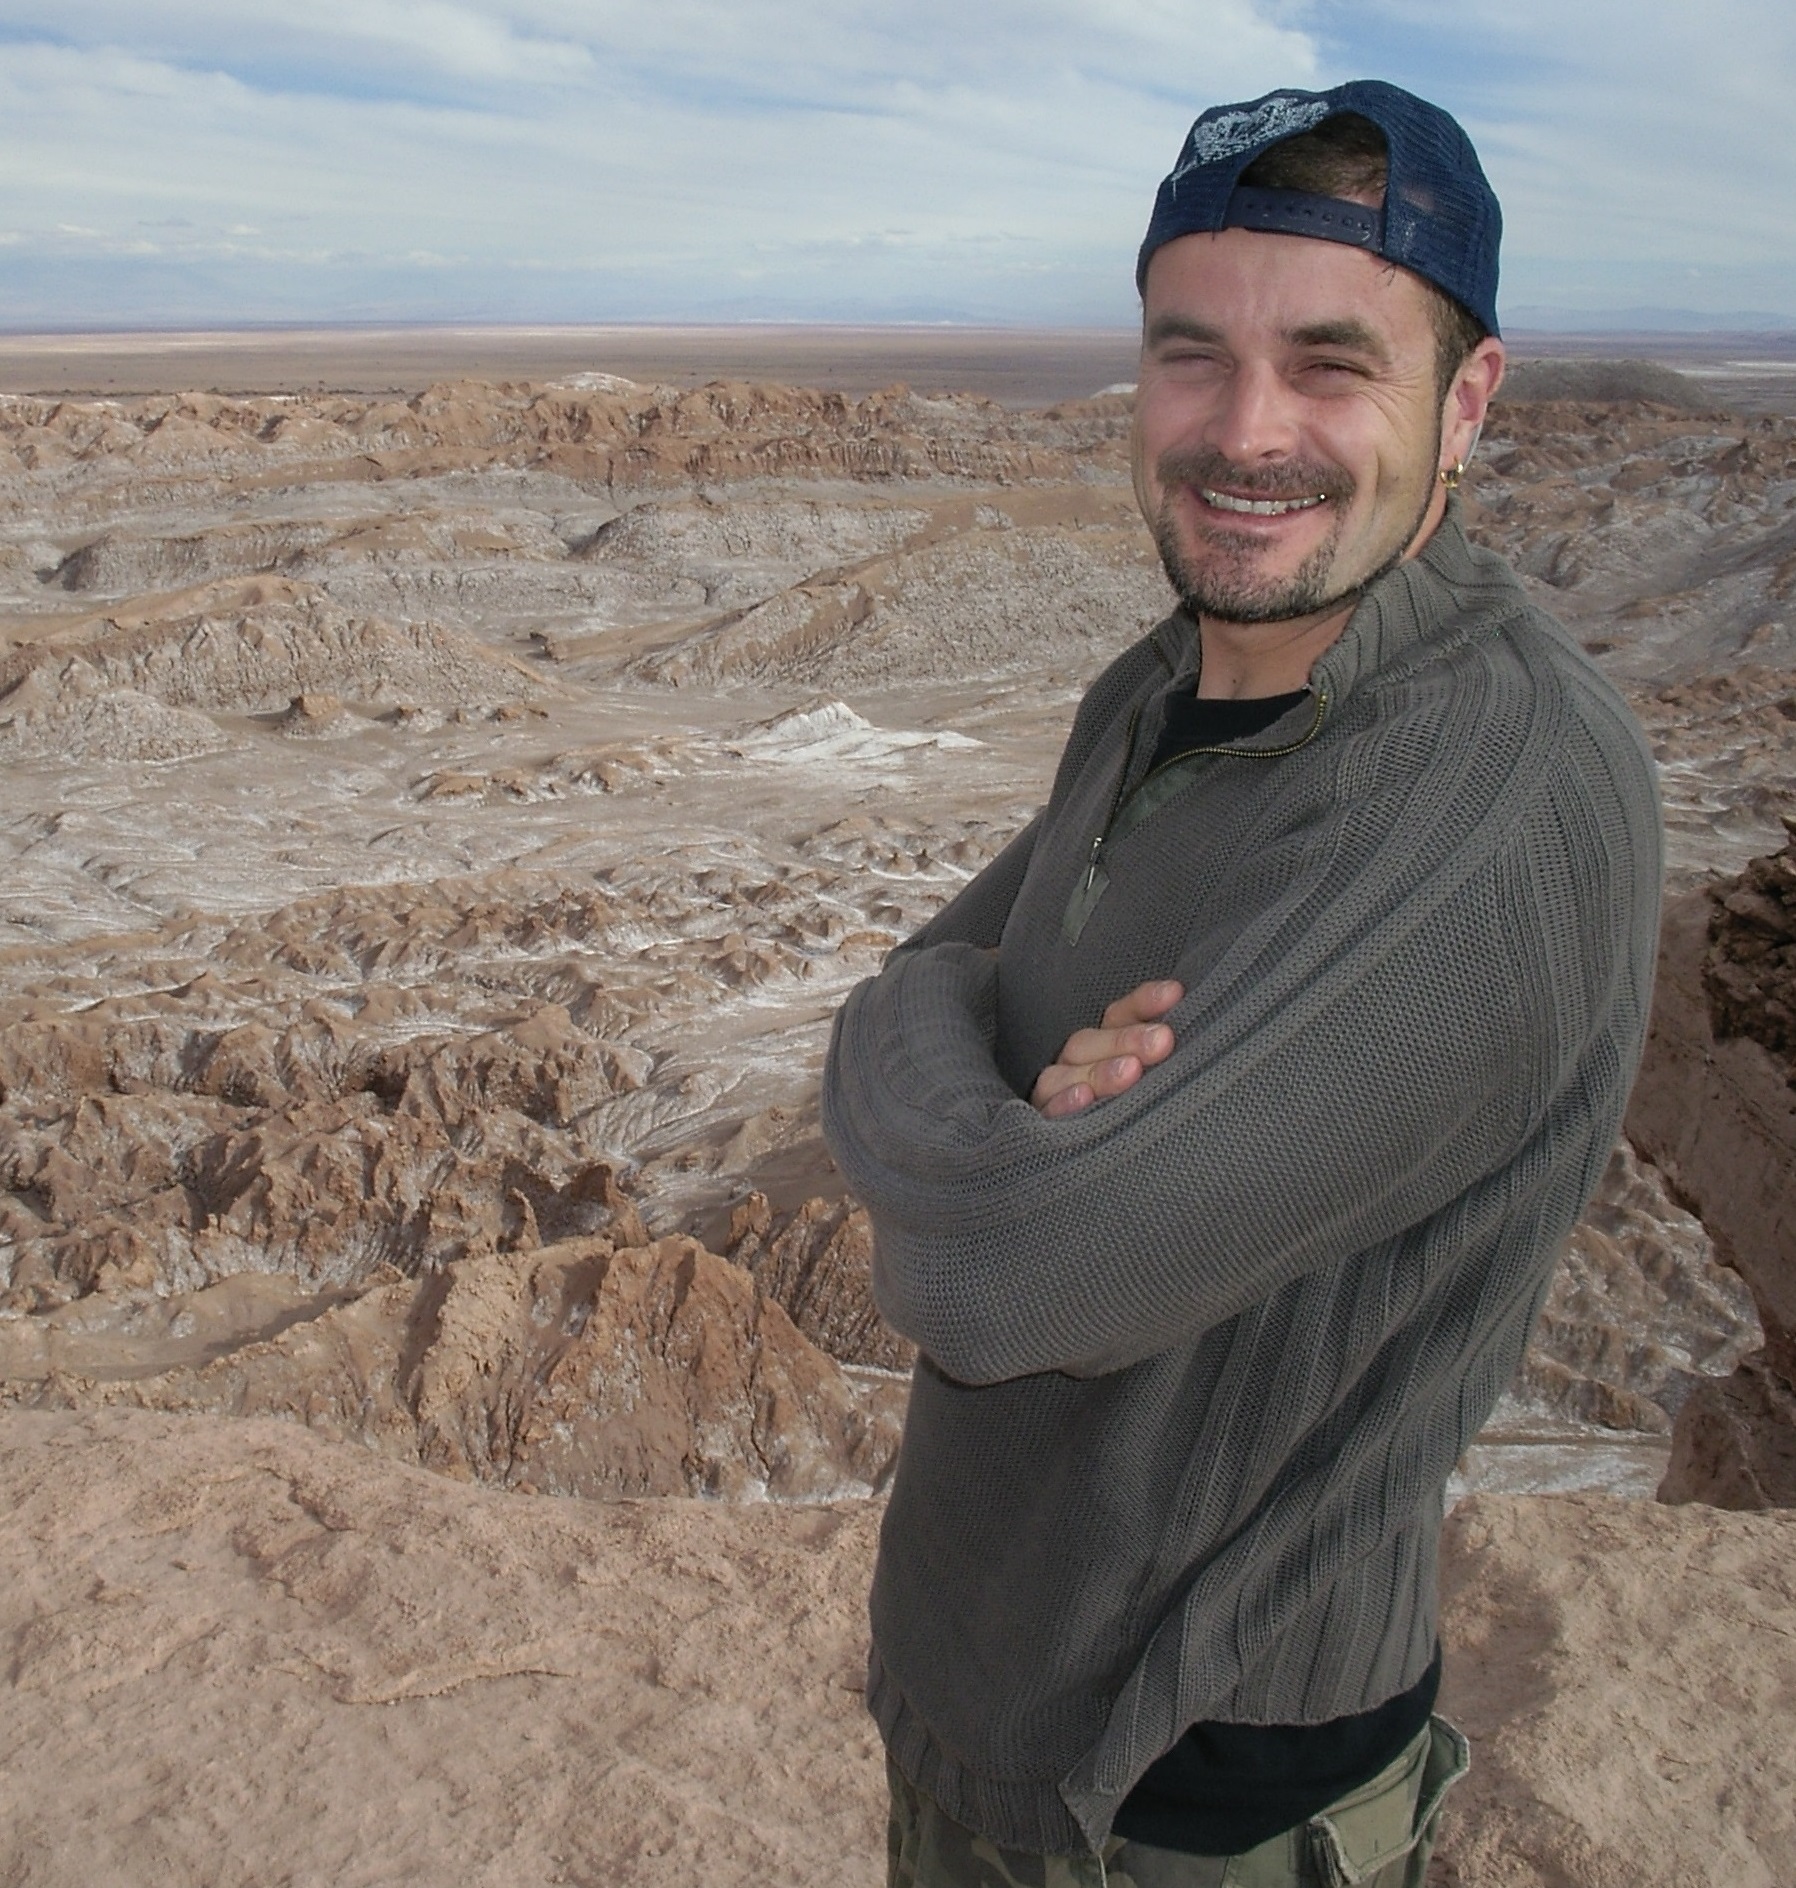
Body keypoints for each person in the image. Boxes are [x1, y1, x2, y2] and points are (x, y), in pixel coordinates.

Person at [821, 78, 1662, 1888]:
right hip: (980, 1719)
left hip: (1189, 1797)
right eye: (1190, 355)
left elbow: (990, 1270)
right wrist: (977, 1075)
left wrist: (966, 1120)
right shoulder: (1159, 688)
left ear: (1468, 401)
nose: (1244, 429)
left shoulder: (1497, 787)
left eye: (1331, 363)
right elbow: (901, 992)